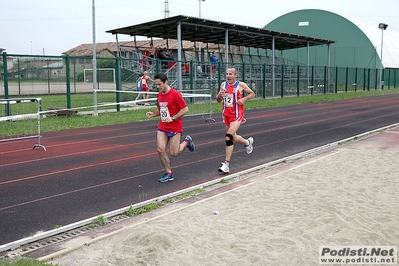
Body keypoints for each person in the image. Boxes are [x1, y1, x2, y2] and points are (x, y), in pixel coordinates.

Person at [146, 73, 195, 182]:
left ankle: (187, 142)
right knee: (160, 150)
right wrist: (153, 114)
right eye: (156, 85)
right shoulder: (159, 95)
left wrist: (173, 118)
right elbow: (161, 109)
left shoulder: (175, 94)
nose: (158, 87)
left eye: (159, 84)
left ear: (166, 82)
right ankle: (169, 173)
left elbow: (185, 109)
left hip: (174, 127)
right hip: (163, 126)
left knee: (174, 153)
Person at [216, 67, 255, 174]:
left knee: (228, 137)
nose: (228, 76)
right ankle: (247, 142)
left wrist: (243, 99)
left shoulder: (241, 85)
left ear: (235, 75)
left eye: (230, 74)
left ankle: (226, 164)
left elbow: (252, 93)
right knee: (233, 137)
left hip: (237, 115)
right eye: (227, 74)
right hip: (226, 115)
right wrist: (220, 95)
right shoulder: (223, 85)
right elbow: (218, 100)